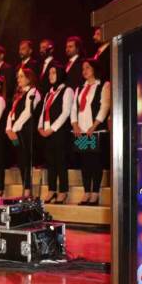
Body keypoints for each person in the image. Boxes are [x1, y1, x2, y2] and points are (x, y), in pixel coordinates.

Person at [71, 58, 110, 206]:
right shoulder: (80, 88)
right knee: (85, 162)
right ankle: (86, 192)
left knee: (95, 162)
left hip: (94, 131)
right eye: (83, 69)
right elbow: (74, 108)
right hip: (81, 132)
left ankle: (95, 193)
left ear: (94, 69)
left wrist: (93, 127)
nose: (84, 71)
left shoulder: (103, 85)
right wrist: (75, 125)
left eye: (87, 67)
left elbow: (104, 107)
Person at [38, 62, 74, 204]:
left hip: (59, 132)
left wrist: (51, 129)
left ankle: (63, 191)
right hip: (47, 132)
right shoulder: (49, 93)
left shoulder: (67, 90)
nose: (50, 76)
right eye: (49, 73)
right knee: (50, 162)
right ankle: (52, 189)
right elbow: (43, 112)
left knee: (60, 161)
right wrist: (40, 127)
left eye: (53, 72)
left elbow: (66, 112)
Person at [6, 68, 41, 197]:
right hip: (16, 132)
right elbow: (12, 112)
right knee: (21, 159)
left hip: (25, 131)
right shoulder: (19, 94)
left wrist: (15, 128)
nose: (18, 79)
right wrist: (8, 128)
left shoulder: (33, 92)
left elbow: (28, 112)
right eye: (18, 77)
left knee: (26, 159)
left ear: (29, 78)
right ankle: (25, 188)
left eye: (21, 76)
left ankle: (28, 190)